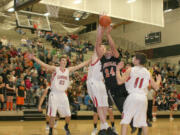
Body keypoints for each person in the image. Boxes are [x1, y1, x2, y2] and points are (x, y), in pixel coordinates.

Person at [27, 54, 91, 135]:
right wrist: (34, 58)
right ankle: (50, 130)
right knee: (53, 114)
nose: (64, 62)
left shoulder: (68, 70)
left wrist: (90, 60)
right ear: (60, 62)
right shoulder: (55, 69)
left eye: (65, 61)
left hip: (63, 94)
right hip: (54, 93)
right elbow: (44, 65)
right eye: (62, 60)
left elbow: (79, 66)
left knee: (68, 114)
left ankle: (66, 126)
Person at [96, 25, 135, 133]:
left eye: (110, 51)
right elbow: (97, 47)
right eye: (106, 50)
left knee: (130, 103)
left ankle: (136, 121)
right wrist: (101, 32)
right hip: (112, 88)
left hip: (122, 85)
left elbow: (113, 47)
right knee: (122, 108)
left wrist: (108, 34)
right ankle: (132, 124)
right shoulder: (103, 60)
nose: (109, 51)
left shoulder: (116, 58)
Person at [116, 53, 161, 135]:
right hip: (143, 98)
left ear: (137, 60)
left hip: (133, 96)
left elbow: (119, 81)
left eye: (134, 58)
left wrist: (117, 70)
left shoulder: (130, 70)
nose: (132, 59)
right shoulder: (148, 72)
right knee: (143, 122)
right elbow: (157, 87)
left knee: (125, 120)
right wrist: (158, 80)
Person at [86, 25, 117, 135]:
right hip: (93, 82)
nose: (103, 49)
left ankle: (103, 127)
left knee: (104, 105)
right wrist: (101, 30)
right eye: (102, 48)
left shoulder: (105, 62)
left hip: (101, 84)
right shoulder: (95, 56)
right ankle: (107, 126)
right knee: (99, 104)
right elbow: (98, 42)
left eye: (105, 48)